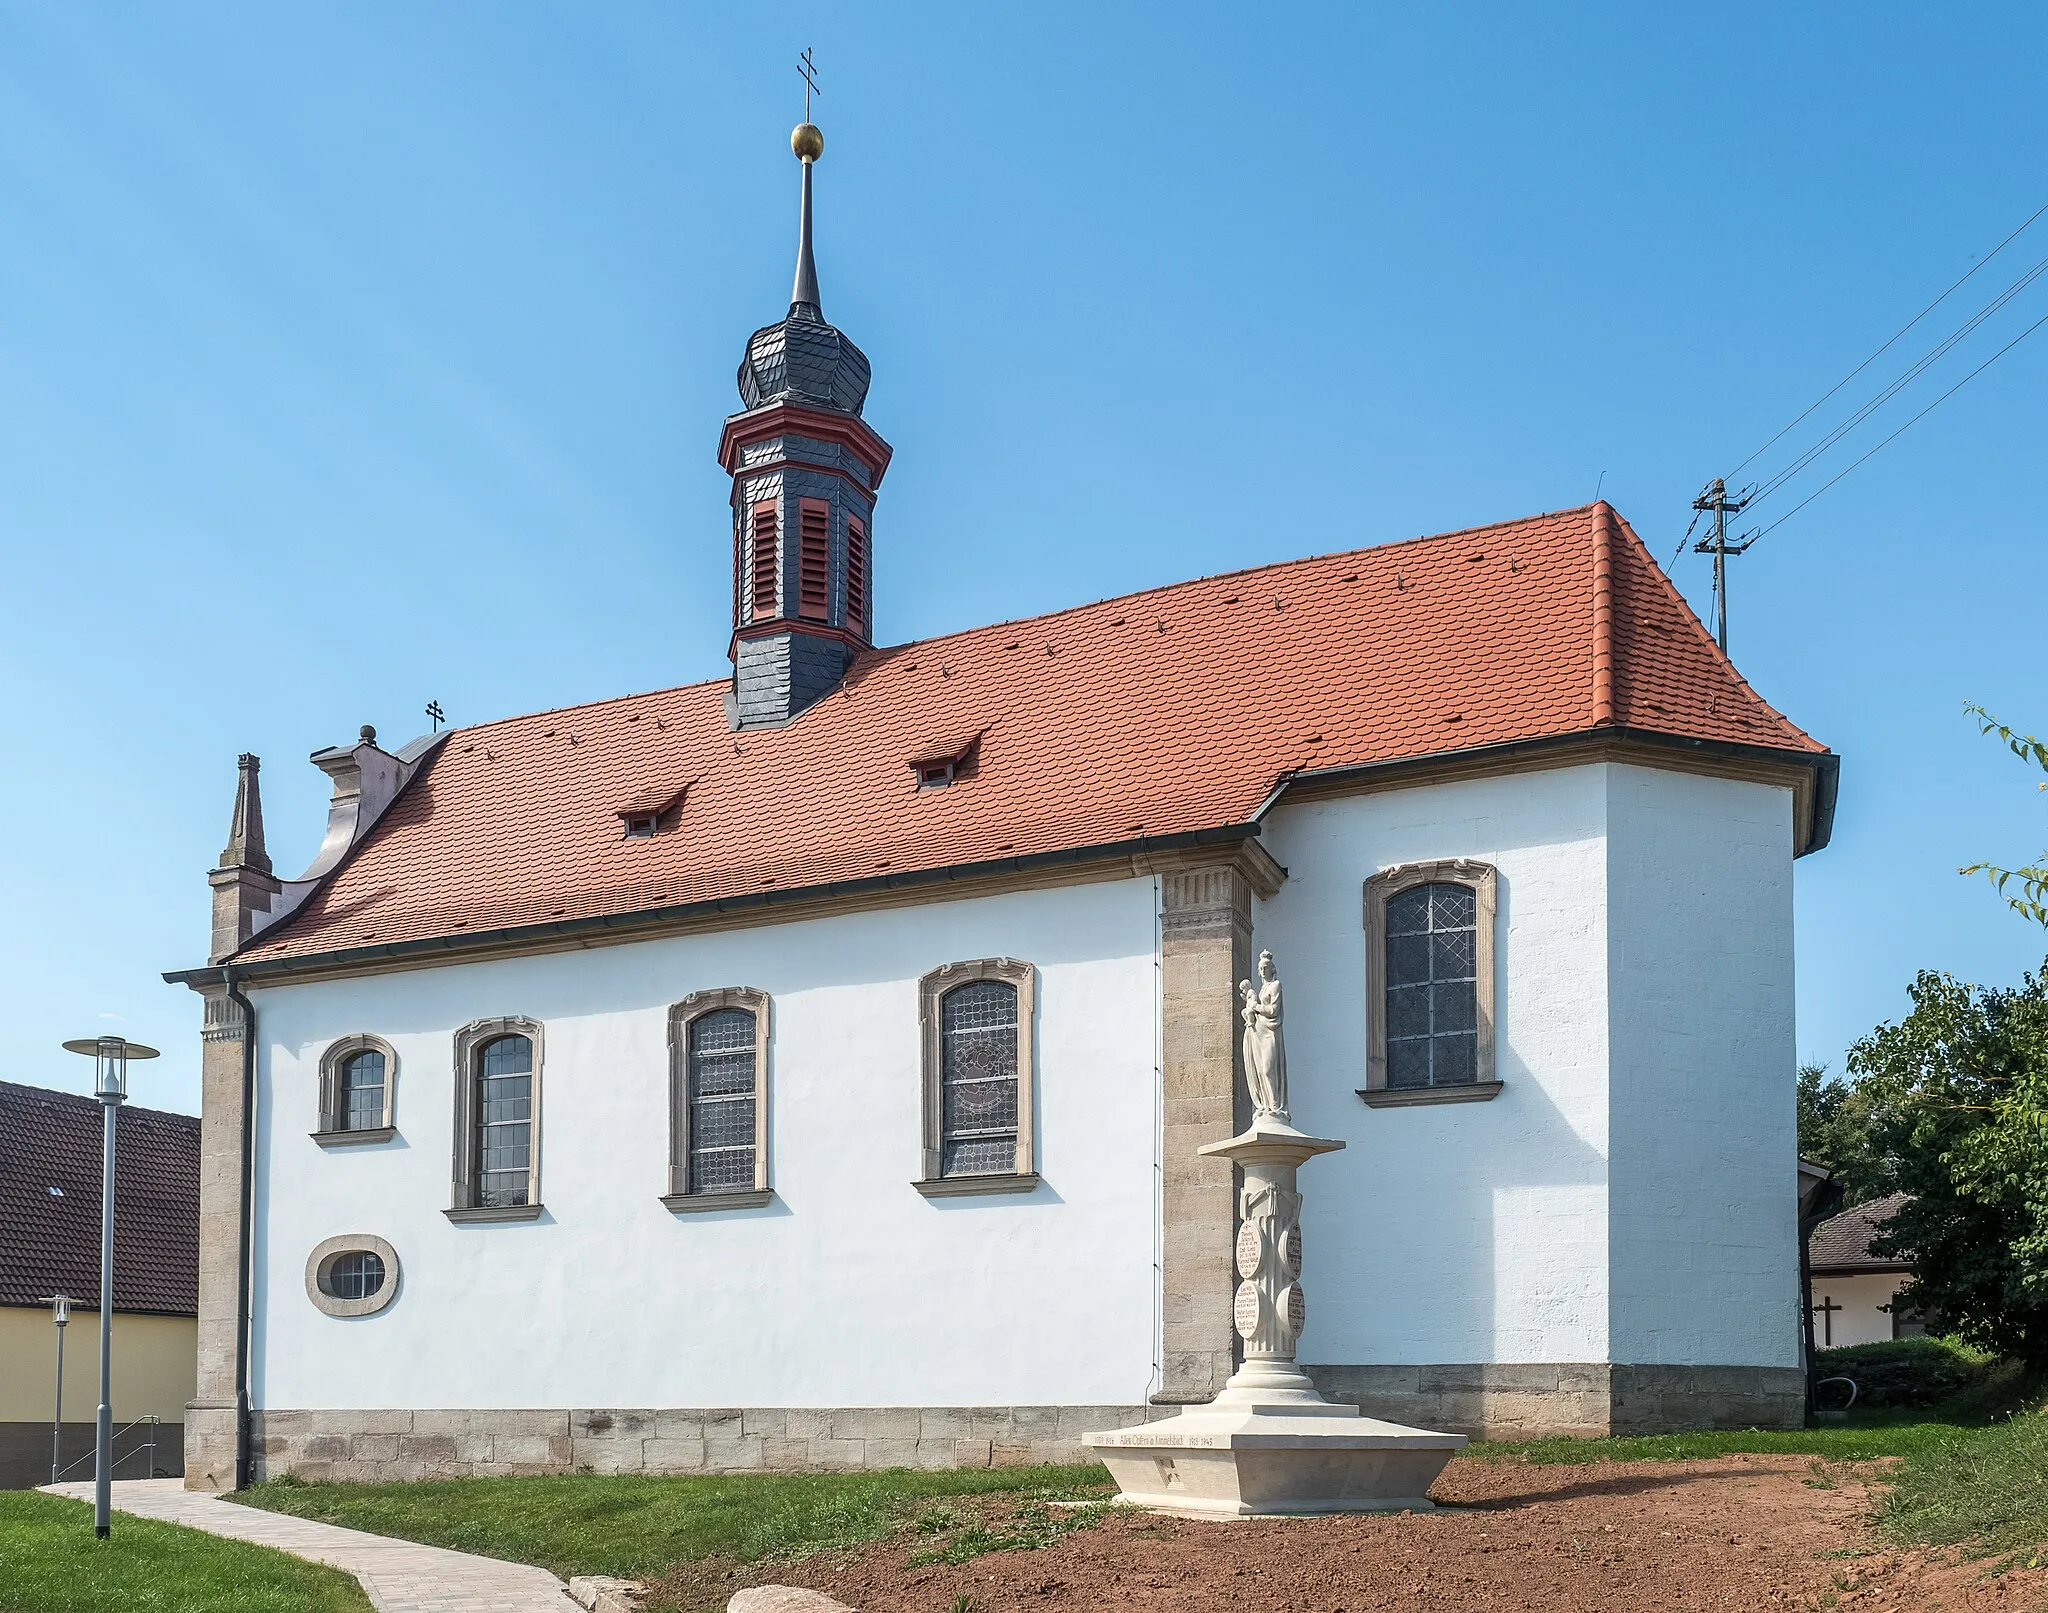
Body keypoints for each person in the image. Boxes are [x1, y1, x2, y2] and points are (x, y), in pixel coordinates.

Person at [1238, 949, 1287, 1119]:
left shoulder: (1275, 986)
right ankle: (1265, 1105)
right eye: (1261, 968)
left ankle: (1275, 1105)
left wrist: (1255, 1007)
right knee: (1260, 1070)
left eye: (1266, 967)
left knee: (1268, 1068)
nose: (1263, 971)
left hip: (1271, 1032)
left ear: (1272, 969)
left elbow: (1273, 1010)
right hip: (1259, 1032)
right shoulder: (1260, 990)